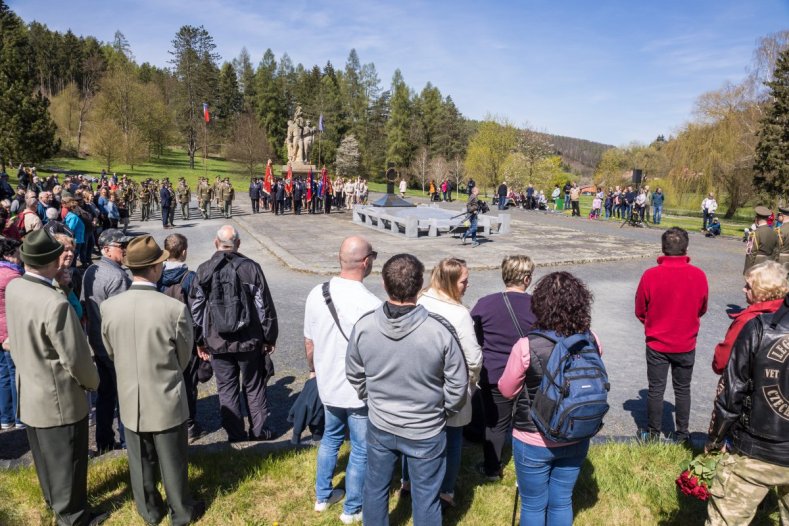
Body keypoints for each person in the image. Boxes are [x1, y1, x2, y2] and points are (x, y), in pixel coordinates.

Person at [346, 253, 468, 526]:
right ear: (420, 284)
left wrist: (373, 399)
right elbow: (458, 385)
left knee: (375, 489)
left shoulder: (364, 326)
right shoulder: (439, 331)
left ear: (382, 282)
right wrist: (442, 410)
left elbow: (354, 374)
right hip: (425, 428)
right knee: (426, 497)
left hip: (382, 424)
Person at [100, 235, 205, 525]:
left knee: (139, 460)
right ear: (157, 268)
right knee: (173, 460)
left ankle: (149, 511)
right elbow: (184, 357)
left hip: (130, 393)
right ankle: (181, 512)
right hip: (166, 393)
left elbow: (110, 351)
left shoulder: (109, 307)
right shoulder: (173, 309)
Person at [6, 229, 104, 526]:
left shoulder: (15, 287)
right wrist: (92, 382)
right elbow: (75, 357)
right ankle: (72, 517)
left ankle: (55, 503)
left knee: (46, 459)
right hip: (59, 396)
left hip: (30, 389)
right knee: (68, 462)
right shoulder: (55, 302)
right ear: (50, 262)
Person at [499, 271, 600, 526]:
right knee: (562, 500)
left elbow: (507, 390)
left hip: (533, 435)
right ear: (581, 303)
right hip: (575, 431)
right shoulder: (590, 340)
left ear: (540, 304)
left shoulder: (526, 345)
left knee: (533, 504)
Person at [304, 236, 381, 523]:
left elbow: (309, 342)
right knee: (360, 448)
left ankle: (322, 496)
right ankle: (352, 508)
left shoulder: (317, 292)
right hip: (359, 388)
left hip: (327, 383)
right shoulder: (373, 304)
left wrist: (314, 371)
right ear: (365, 262)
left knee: (330, 439)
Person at [705, 292, 789, 525]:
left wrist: (715, 439)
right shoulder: (758, 327)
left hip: (755, 452)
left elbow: (732, 391)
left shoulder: (758, 328)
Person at [191, 225, 278, 443]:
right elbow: (263, 306)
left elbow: (196, 310)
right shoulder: (251, 268)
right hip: (249, 340)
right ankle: (259, 431)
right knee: (254, 385)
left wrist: (200, 340)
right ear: (238, 243)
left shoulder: (203, 270)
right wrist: (269, 336)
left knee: (226, 389)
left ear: (215, 243)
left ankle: (235, 434)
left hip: (217, 341)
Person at [409, 257, 481, 508]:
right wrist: (470, 384)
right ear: (451, 282)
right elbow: (473, 358)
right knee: (452, 439)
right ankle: (446, 490)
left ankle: (407, 483)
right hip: (449, 385)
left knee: (414, 437)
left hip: (418, 381)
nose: (467, 285)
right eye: (464, 281)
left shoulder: (420, 299)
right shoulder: (460, 314)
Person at [635, 227, 708, 443]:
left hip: (657, 342)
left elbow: (640, 309)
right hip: (685, 341)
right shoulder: (698, 275)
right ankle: (682, 434)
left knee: (656, 389)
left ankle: (653, 434)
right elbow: (702, 307)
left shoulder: (651, 275)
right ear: (686, 248)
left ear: (663, 248)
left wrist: (652, 323)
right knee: (683, 389)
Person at [471, 255, 537, 480]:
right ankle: (529, 468)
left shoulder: (485, 303)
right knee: (528, 421)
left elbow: (476, 337)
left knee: (496, 424)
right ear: (527, 279)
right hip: (529, 373)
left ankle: (492, 469)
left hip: (495, 372)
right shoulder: (537, 305)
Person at [82, 228, 133, 453]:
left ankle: (104, 441)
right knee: (124, 396)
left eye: (124, 245)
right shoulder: (117, 276)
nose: (124, 249)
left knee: (105, 395)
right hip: (114, 347)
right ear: (105, 249)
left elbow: (86, 305)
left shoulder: (91, 270)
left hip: (97, 342)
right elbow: (123, 317)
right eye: (120, 246)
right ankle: (127, 442)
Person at [160, 233, 206, 443]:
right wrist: (199, 340)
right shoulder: (191, 278)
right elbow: (197, 313)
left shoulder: (156, 275)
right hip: (185, 337)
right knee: (188, 381)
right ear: (185, 251)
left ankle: (167, 421)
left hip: (161, 335)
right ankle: (189, 425)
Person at [712, 261, 787, 375]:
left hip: (750, 386)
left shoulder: (748, 320)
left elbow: (722, 362)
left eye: (748, 287)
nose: (744, 289)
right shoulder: (785, 314)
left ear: (761, 291)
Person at [0, 238, 23, 430]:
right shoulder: (12, 276)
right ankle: (19, 417)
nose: (21, 256)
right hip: (9, 331)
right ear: (9, 255)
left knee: (4, 375)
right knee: (15, 374)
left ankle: (6, 417)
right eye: (18, 252)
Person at [744, 206, 780, 274]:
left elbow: (750, 254)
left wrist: (746, 271)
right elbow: (777, 251)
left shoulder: (754, 234)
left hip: (757, 266)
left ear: (756, 219)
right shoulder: (774, 233)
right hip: (769, 266)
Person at [777, 205, 789, 270]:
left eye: (780, 215)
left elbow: (777, 248)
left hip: (782, 260)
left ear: (783, 216)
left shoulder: (780, 230)